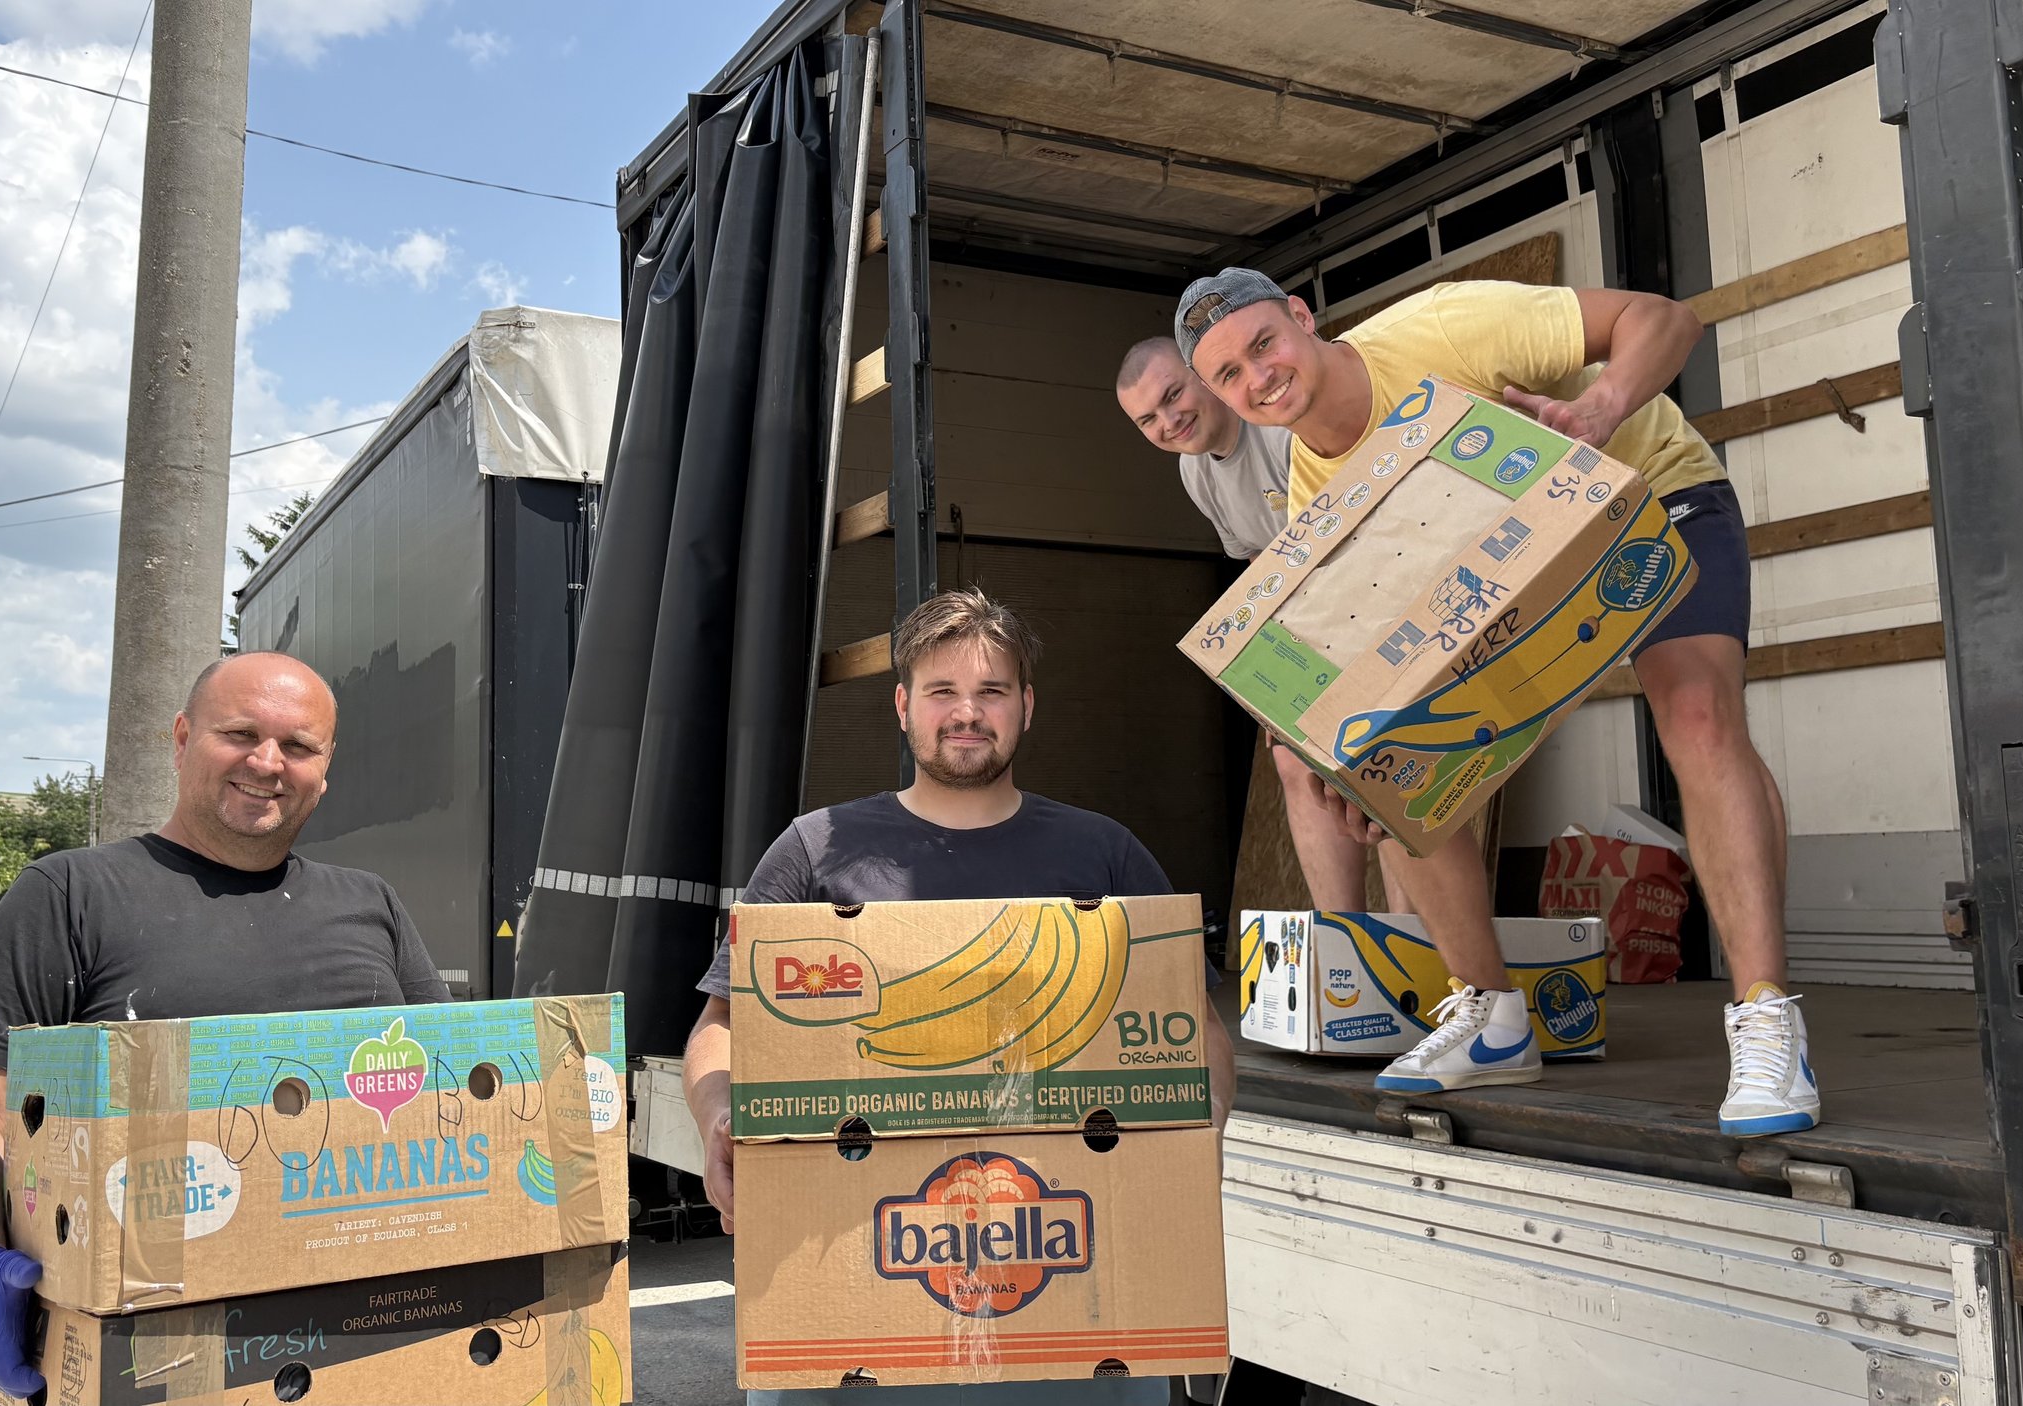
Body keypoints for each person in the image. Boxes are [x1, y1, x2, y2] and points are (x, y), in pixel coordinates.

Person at [1176, 266, 1816, 1138]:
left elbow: (1664, 319)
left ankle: (1766, 1017)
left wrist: (1599, 412)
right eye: (1229, 375)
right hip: (1511, 577)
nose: (1258, 377)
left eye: (1263, 345)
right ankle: (1491, 1017)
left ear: (1300, 317)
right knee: (1390, 765)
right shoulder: (1310, 489)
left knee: (1697, 714)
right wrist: (1345, 767)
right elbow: (1344, 657)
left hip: (1644, 491)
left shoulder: (1443, 329)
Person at [683, 587, 1237, 1405]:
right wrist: (718, 1113)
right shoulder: (813, 852)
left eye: (992, 693)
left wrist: (1193, 1144)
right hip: (850, 1303)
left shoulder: (1103, 855)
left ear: (1026, 707)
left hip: (1072, 1311)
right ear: (904, 706)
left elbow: (1197, 1026)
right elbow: (722, 1023)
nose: (967, 714)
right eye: (943, 692)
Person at [0, 651, 449, 1400]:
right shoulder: (71, 893)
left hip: (355, 1345)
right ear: (184, 737)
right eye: (241, 733)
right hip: (136, 1355)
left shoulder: (370, 904)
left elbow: (446, 1094)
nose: (267, 762)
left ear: (326, 765)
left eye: (297, 746)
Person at [1117, 334, 1377, 917]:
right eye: (1147, 420)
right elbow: (1262, 568)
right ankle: (1347, 939)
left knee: (1383, 764)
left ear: (1204, 375)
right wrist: (1269, 684)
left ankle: (1426, 956)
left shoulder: (1279, 424)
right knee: (1292, 758)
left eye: (1173, 394)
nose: (1168, 420)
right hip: (1312, 622)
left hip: (1375, 599)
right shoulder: (1195, 473)